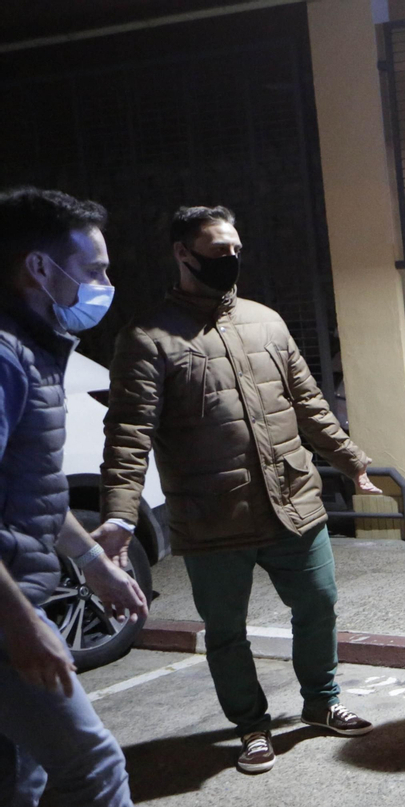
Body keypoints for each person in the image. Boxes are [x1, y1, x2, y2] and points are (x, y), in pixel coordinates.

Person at [0, 188, 256, 807]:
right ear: (40, 268)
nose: (105, 286)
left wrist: (91, 562)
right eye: (95, 268)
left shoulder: (33, 349)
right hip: (4, 614)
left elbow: (31, 491)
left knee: (13, 782)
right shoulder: (5, 359)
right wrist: (21, 622)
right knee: (92, 763)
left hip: (20, 593)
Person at [99, 206, 377, 775]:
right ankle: (251, 725)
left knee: (319, 606)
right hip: (212, 517)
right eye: (216, 251)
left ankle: (322, 704)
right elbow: (128, 437)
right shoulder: (148, 338)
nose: (229, 260)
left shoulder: (266, 321)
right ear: (182, 253)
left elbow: (307, 404)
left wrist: (351, 460)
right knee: (227, 633)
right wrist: (120, 518)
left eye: (234, 249)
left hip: (292, 501)